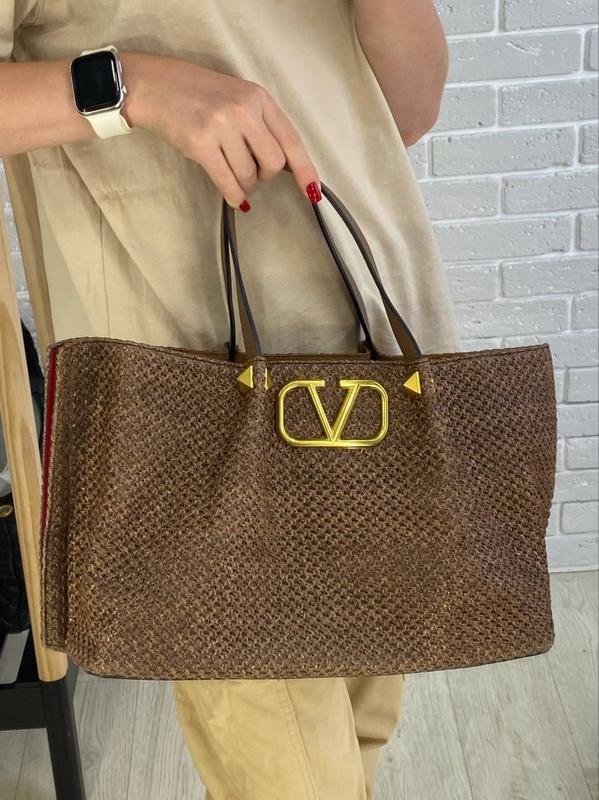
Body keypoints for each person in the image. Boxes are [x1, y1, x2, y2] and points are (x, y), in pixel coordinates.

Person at [0, 2, 462, 798]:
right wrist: (133, 87)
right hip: (186, 378)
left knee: (362, 722)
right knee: (296, 777)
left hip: (366, 336)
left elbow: (406, 112)